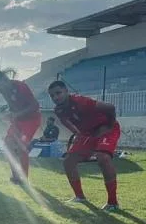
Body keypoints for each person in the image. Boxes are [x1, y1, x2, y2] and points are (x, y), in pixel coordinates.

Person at [49, 80, 121, 211]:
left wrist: (109, 126)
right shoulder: (59, 110)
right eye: (52, 95)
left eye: (58, 93)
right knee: (68, 162)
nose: (55, 97)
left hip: (105, 129)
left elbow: (110, 107)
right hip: (87, 133)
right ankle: (80, 197)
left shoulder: (81, 102)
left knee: (103, 157)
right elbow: (64, 120)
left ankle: (113, 202)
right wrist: (77, 132)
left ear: (66, 91)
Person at [0, 71, 41, 184]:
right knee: (8, 145)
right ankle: (15, 176)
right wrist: (10, 113)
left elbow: (35, 105)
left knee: (21, 147)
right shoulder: (2, 90)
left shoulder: (21, 87)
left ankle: (24, 178)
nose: (1, 88)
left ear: (6, 79)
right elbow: (13, 105)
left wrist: (17, 114)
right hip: (18, 120)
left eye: (1, 84)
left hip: (32, 119)